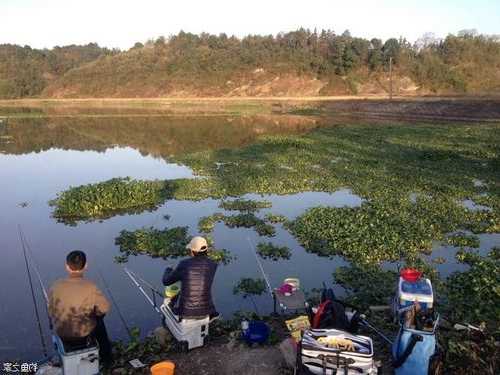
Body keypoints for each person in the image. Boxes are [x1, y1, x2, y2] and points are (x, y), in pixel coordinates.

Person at [48, 251, 112, 365]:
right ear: (86, 266)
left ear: (67, 266)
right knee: (100, 322)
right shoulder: (90, 287)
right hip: (83, 336)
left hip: (61, 333)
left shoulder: (56, 285)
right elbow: (104, 309)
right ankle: (107, 360)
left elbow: (51, 310)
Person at [162, 236, 218, 319]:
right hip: (207, 311)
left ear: (192, 251)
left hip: (186, 312)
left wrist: (168, 269)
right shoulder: (213, 265)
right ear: (206, 250)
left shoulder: (184, 264)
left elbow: (166, 281)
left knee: (175, 290)